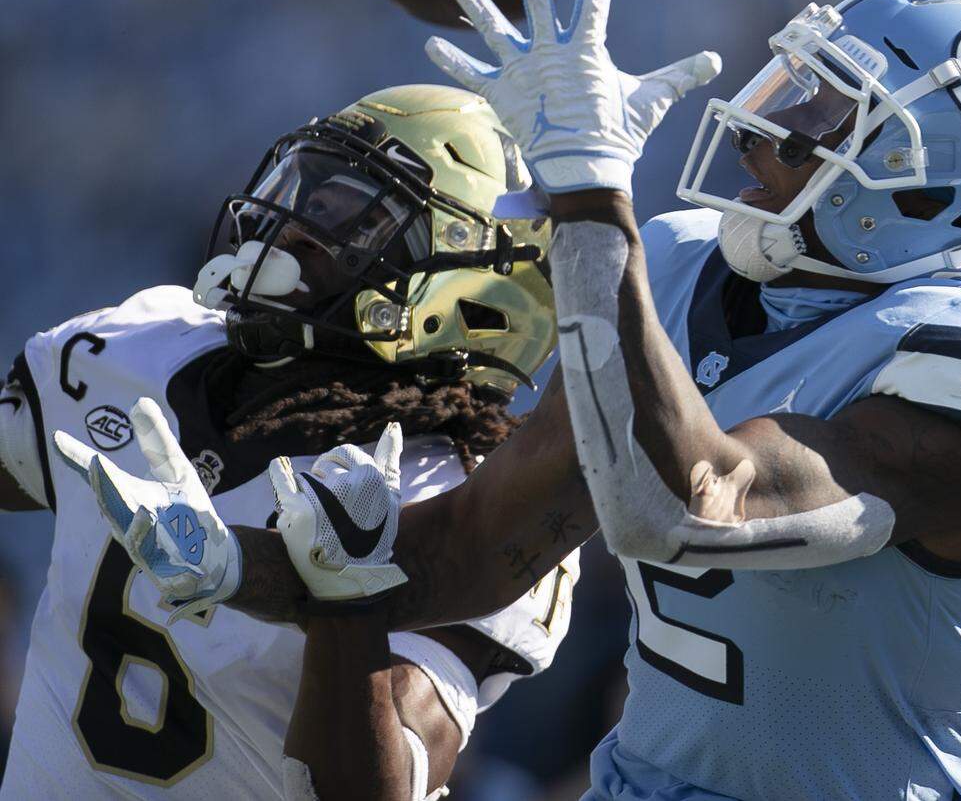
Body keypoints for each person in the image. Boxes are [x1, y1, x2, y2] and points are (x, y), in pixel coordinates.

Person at [75, 0, 961, 801]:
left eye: (827, 120)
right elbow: (484, 545)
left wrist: (588, 201)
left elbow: (696, 504)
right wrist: (235, 565)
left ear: (938, 198)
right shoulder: (677, 265)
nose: (767, 135)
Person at [0, 83, 578, 799]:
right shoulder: (142, 342)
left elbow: (376, 788)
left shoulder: (462, 500)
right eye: (308, 189)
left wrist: (346, 601)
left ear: (461, 288)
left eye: (351, 212)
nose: (296, 222)